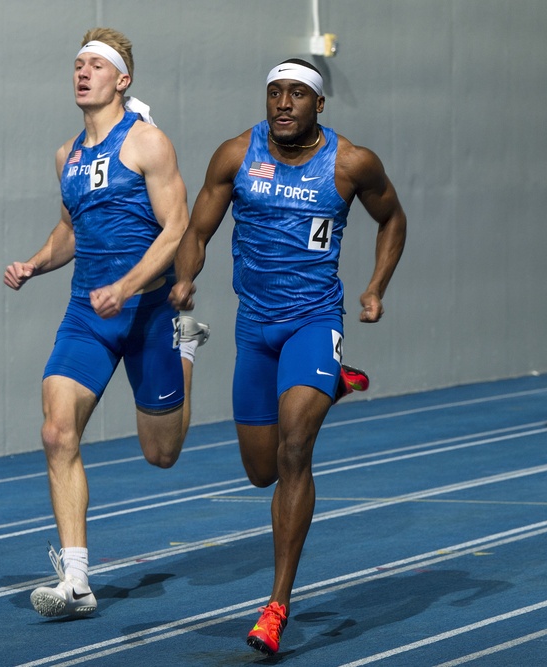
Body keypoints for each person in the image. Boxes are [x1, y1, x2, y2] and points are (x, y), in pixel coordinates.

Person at [169, 59, 406, 655]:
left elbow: (392, 218)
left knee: (295, 449)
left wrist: (374, 287)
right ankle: (334, 382)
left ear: (319, 105)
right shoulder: (235, 155)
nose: (282, 103)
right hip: (256, 328)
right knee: (262, 470)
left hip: (313, 321)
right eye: (274, 92)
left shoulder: (351, 163)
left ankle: (275, 605)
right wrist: (184, 278)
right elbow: (197, 231)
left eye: (297, 94)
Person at [3, 27, 209, 618]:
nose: (82, 71)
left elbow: (175, 230)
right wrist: (35, 263)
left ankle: (187, 349)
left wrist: (127, 286)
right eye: (76, 63)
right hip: (87, 316)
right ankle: (77, 581)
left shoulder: (147, 143)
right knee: (55, 431)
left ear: (122, 80)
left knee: (161, 454)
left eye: (95, 64)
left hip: (145, 314)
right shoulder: (67, 155)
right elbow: (69, 230)